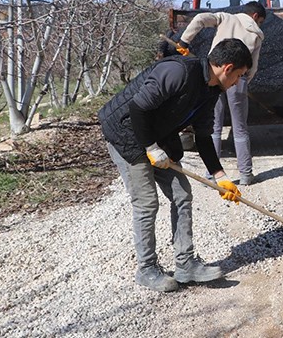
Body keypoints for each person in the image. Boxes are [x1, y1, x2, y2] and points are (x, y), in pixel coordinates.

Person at [98, 38, 253, 293]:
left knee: (182, 194)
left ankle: (185, 264)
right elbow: (138, 108)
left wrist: (220, 176)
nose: (238, 82)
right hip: (126, 133)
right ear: (227, 68)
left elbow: (203, 137)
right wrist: (150, 148)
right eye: (239, 75)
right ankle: (146, 270)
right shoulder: (178, 72)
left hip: (158, 136)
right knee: (147, 202)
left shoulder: (211, 91)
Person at [179, 1, 266, 185]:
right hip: (238, 80)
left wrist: (184, 41)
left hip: (214, 76)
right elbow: (253, 67)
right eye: (260, 21)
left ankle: (211, 174)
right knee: (240, 127)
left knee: (213, 125)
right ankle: (245, 174)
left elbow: (200, 18)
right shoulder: (257, 34)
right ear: (255, 16)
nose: (259, 25)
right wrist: (242, 82)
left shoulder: (225, 18)